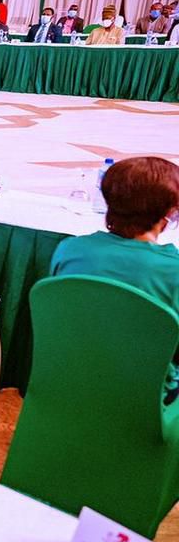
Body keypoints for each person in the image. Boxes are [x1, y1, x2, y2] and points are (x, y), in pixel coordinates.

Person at [50, 157, 179, 404]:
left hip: (67, 382)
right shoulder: (173, 270)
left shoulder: (69, 250)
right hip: (147, 400)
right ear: (168, 212)